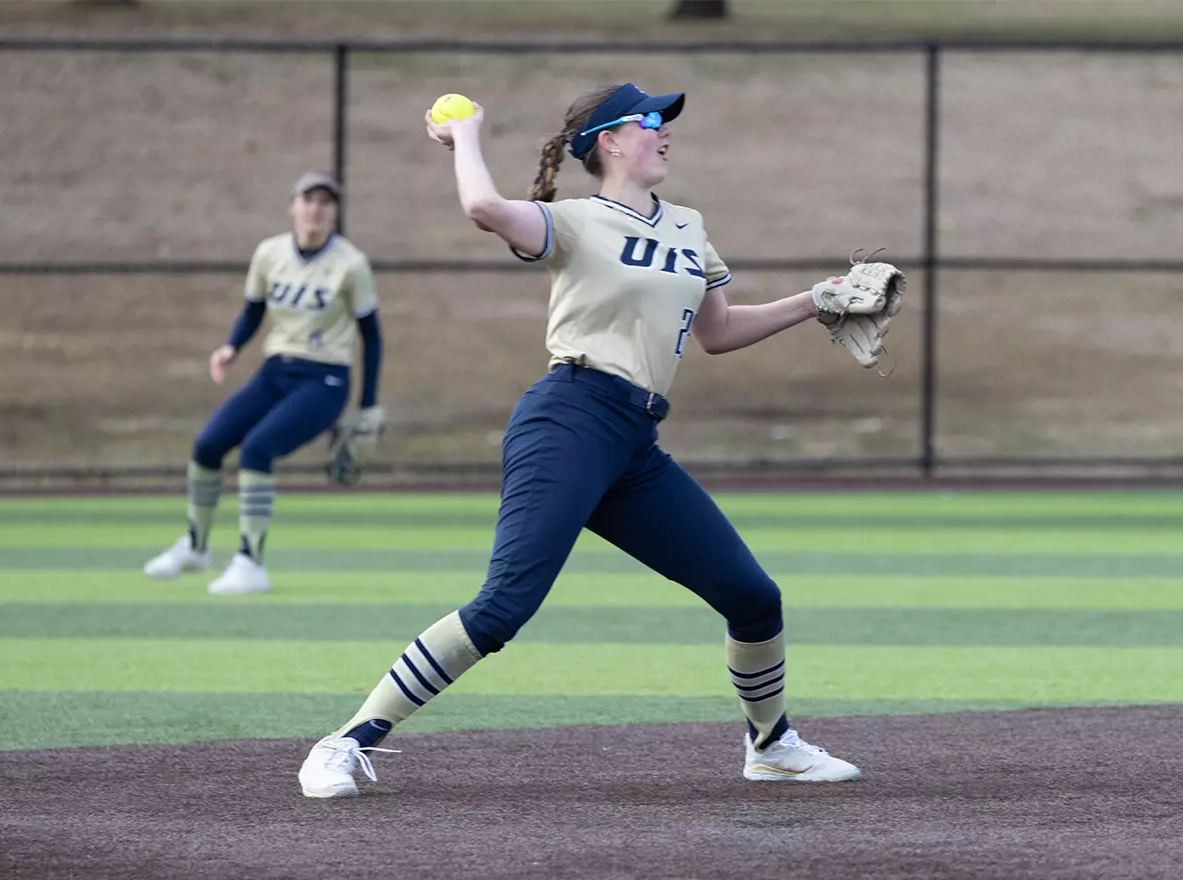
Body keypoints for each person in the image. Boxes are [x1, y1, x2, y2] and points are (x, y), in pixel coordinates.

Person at [297, 83, 859, 797]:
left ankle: (772, 744)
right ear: (609, 141)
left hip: (632, 443)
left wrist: (814, 301)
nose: (665, 130)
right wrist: (465, 133)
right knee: (503, 607)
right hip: (568, 419)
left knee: (752, 597)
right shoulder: (575, 222)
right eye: (650, 120)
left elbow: (716, 333)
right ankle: (345, 743)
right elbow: (482, 207)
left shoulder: (688, 226)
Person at [142, 172, 385, 595]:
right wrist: (231, 347)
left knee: (257, 449)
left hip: (325, 379)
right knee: (208, 445)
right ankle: (196, 547)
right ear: (292, 206)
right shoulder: (270, 253)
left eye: (326, 202)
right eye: (308, 200)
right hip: (275, 372)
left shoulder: (351, 264)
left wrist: (367, 404)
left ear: (335, 212)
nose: (316, 209)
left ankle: (250, 562)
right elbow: (253, 311)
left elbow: (372, 335)